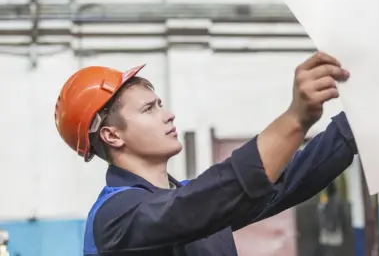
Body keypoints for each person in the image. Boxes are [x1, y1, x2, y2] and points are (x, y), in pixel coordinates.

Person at [54, 51, 358, 256]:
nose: (169, 114)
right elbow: (198, 204)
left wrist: (357, 119)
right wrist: (294, 119)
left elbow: (290, 180)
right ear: (112, 135)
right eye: (149, 109)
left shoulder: (185, 197)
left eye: (160, 104)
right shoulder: (114, 217)